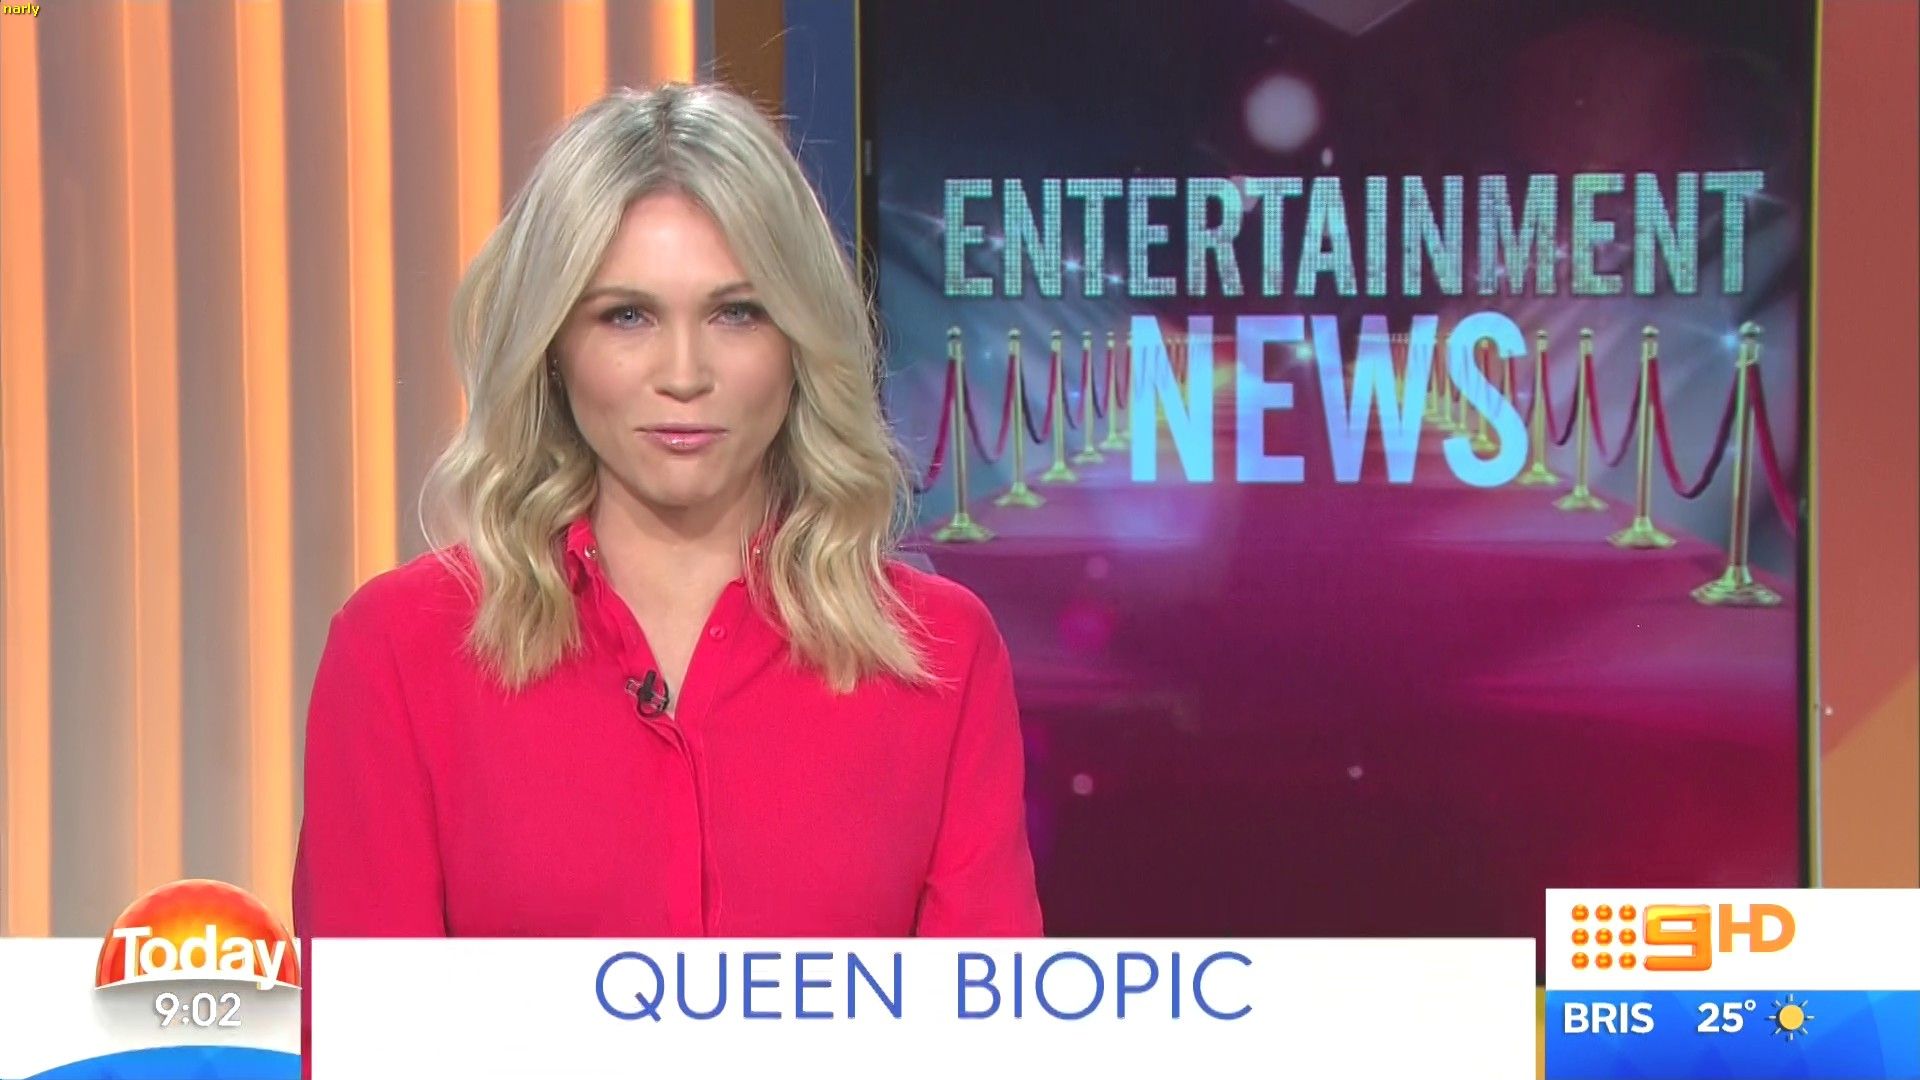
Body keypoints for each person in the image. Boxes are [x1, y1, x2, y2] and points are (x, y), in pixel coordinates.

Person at [291, 84, 1042, 937]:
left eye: (737, 313)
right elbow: (375, 1018)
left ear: (800, 342)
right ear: (552, 346)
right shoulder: (399, 655)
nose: (684, 374)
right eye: (627, 316)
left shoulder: (940, 657)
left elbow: (983, 1011)